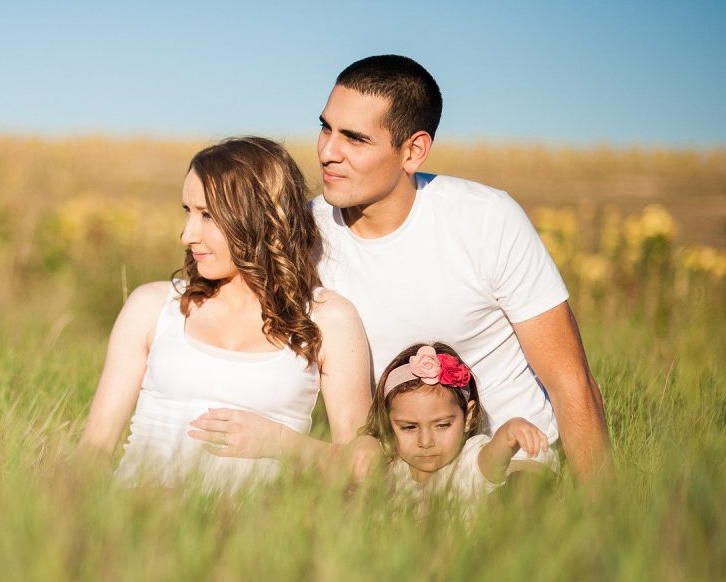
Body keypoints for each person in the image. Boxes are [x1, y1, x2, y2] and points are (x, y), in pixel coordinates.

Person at [218, 55, 611, 484]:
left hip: (507, 468)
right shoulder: (303, 234)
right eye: (325, 128)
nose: (328, 152)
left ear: (413, 150)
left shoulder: (486, 219)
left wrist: (602, 520)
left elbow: (571, 383)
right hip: (388, 473)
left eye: (355, 138)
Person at [75, 137, 371, 493]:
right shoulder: (153, 307)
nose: (187, 234)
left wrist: (282, 443)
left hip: (257, 538)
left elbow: (365, 466)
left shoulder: (328, 319)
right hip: (138, 524)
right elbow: (92, 452)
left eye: (207, 215)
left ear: (259, 215)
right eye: (187, 211)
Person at [362, 342, 549, 512]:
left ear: (467, 417)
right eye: (409, 427)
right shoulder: (391, 466)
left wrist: (510, 432)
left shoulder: (469, 463)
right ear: (387, 423)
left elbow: (493, 457)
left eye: (442, 425)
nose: (426, 442)